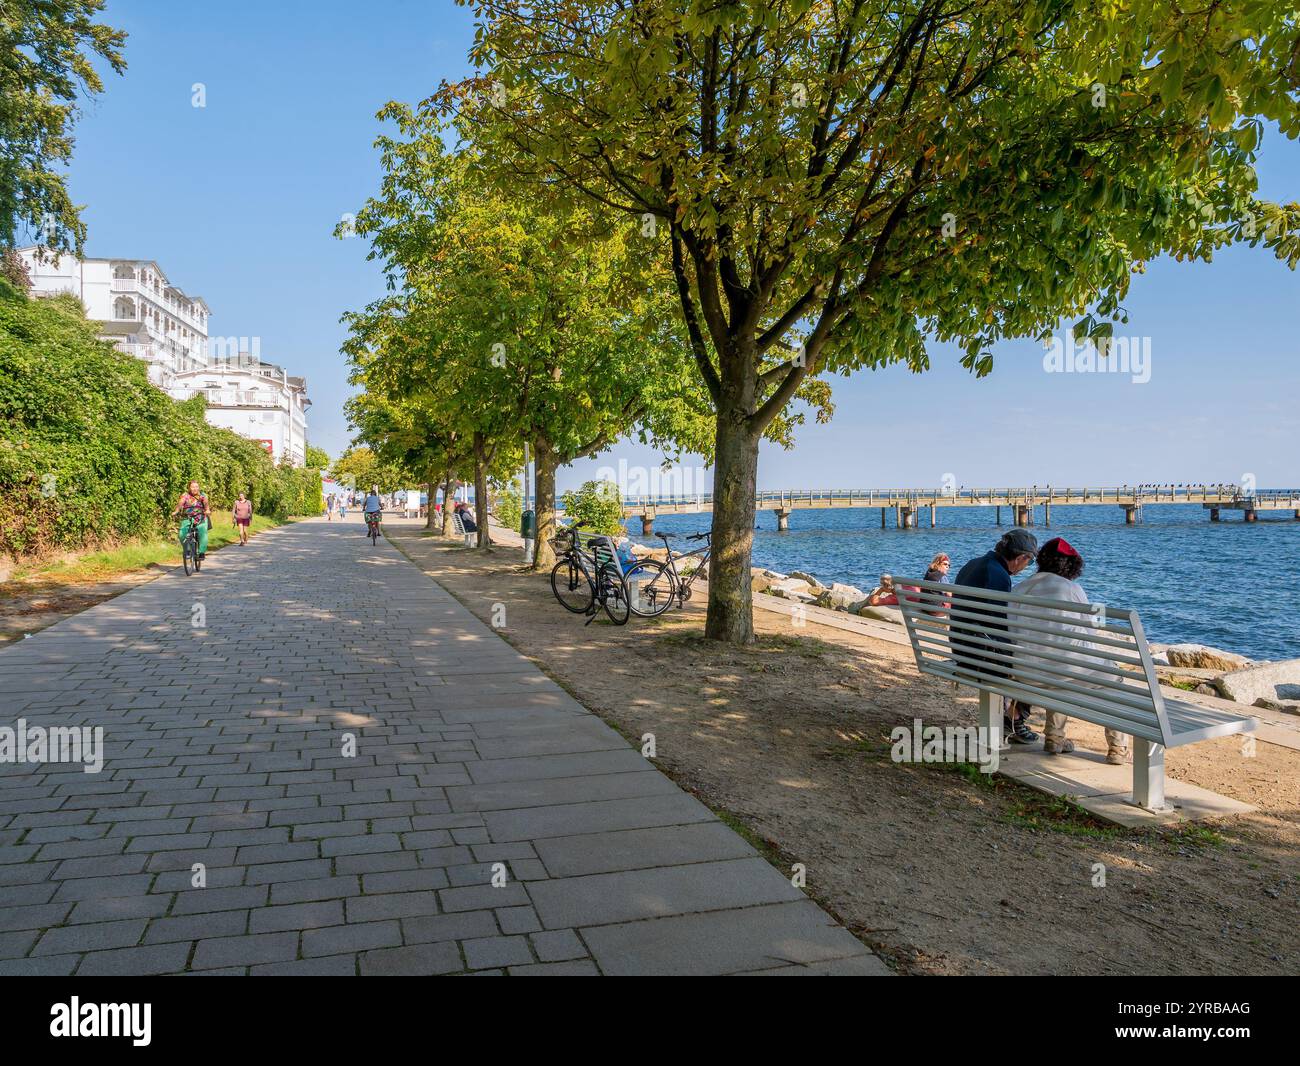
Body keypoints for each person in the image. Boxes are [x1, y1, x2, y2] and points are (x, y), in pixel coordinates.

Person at [1011, 537, 1130, 764]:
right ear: (1071, 565)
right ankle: (1118, 747)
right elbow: (1091, 632)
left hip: (1025, 675)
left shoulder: (1020, 588)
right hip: (1062, 674)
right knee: (1112, 676)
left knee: (1061, 667)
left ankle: (1054, 738)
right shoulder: (1072, 588)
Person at [952, 528, 1039, 744]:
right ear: (1020, 558)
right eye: (1028, 562)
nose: (1026, 567)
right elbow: (998, 625)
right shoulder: (998, 576)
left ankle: (1010, 717)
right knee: (1033, 662)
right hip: (980, 657)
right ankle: (1015, 718)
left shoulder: (973, 564)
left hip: (963, 649)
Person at [173, 480, 211, 562]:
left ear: (199, 487)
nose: (195, 488)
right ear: (189, 488)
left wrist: (207, 510)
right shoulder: (185, 495)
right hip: (187, 518)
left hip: (200, 518)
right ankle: (187, 550)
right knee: (181, 534)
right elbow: (180, 504)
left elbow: (206, 505)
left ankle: (201, 552)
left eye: (196, 486)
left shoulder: (203, 495)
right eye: (193, 487)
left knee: (202, 532)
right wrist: (176, 511)